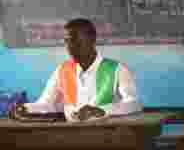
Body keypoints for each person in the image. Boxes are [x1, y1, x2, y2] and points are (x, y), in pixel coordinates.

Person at [8, 18, 142, 121]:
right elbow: (46, 104)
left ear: (92, 40)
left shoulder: (117, 69)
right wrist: (25, 108)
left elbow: (134, 104)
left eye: (76, 41)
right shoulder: (62, 70)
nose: (70, 47)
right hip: (71, 136)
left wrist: (102, 110)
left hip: (107, 136)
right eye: (66, 41)